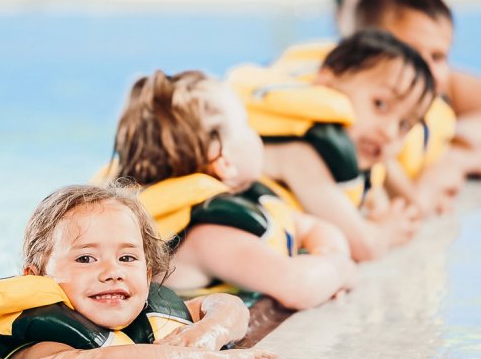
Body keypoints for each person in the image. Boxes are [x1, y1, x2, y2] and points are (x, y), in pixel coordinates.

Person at [0, 183, 275, 359]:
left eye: (128, 258)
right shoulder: (40, 342)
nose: (112, 271)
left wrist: (210, 332)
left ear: (148, 274)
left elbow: (229, 305)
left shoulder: (151, 310)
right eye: (86, 259)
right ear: (36, 279)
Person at [106, 70, 357, 309]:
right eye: (246, 125)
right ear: (224, 161)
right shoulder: (210, 236)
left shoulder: (243, 201)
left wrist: (327, 253)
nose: (255, 133)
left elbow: (311, 227)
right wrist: (341, 268)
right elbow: (298, 287)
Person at [229, 30, 436, 262]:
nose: (388, 132)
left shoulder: (354, 163)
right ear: (326, 84)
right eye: (380, 104)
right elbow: (364, 246)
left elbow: (375, 204)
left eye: (404, 125)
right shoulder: (299, 155)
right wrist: (385, 232)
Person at [332, 0, 481, 151]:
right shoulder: (318, 79)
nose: (397, 7)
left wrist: (456, 145)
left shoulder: (443, 80)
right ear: (341, 16)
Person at [354, 0, 481, 214]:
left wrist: (453, 162)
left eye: (438, 56)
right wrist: (424, 193)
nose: (427, 70)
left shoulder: (438, 114)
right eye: (410, 54)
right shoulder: (363, 113)